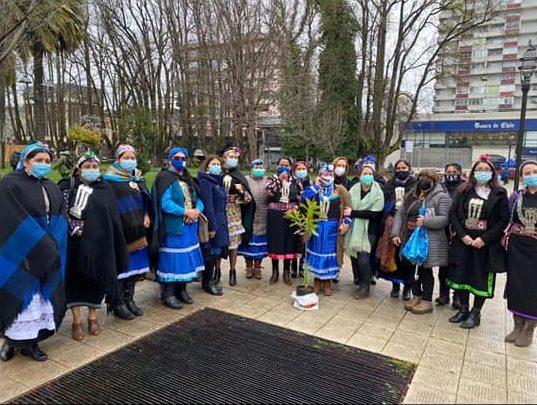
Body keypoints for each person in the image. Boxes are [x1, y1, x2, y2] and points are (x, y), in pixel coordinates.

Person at [0, 143, 67, 362]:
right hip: (20, 251)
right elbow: (11, 217)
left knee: (39, 299)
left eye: (47, 161)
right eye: (39, 160)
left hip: (47, 251)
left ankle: (31, 344)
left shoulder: (51, 186)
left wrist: (53, 241)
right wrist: (39, 242)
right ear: (26, 161)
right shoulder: (9, 184)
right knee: (18, 295)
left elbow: (60, 216)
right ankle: (10, 342)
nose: (44, 165)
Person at [59, 151, 129, 341]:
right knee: (74, 281)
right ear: (79, 169)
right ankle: (76, 321)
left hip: (100, 244)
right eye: (87, 167)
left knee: (96, 280)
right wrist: (75, 228)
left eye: (95, 166)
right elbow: (61, 212)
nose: (91, 169)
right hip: (75, 244)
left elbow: (111, 216)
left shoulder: (104, 188)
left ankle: (92, 317)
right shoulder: (68, 186)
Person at [447, 155, 509, 329]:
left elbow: (503, 219)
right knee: (462, 274)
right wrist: (462, 235)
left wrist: (484, 239)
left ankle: (476, 312)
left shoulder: (499, 193)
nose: (482, 172)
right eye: (479, 169)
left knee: (480, 277)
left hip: (485, 243)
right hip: (464, 240)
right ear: (473, 172)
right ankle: (463, 309)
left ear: (492, 173)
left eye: (486, 170)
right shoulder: (463, 191)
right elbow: (453, 213)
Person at [391, 169, 451, 315]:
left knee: (425, 269)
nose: (423, 181)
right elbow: (400, 214)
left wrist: (426, 221)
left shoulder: (442, 197)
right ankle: (416, 294)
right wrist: (395, 233)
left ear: (434, 181)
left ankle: (427, 299)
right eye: (421, 178)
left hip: (427, 239)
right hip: (409, 236)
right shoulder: (411, 195)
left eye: (427, 178)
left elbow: (445, 218)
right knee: (411, 268)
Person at [103, 144, 152, 320]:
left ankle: (129, 298)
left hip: (138, 228)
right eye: (126, 158)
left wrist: (146, 214)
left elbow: (145, 199)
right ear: (118, 160)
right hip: (121, 230)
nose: (130, 161)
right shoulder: (108, 180)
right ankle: (117, 303)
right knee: (121, 267)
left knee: (134, 267)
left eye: (132, 158)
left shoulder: (138, 178)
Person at [152, 147, 205, 309]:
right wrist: (185, 212)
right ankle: (168, 293)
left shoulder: (188, 179)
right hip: (174, 226)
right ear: (170, 160)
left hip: (190, 226)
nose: (180, 160)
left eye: (183, 158)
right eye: (176, 157)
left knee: (186, 259)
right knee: (173, 260)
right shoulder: (164, 178)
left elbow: (199, 198)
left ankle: (182, 289)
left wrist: (196, 212)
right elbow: (165, 202)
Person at [302, 164, 351, 295]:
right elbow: (304, 199)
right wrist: (315, 186)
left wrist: (346, 222)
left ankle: (327, 282)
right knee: (316, 252)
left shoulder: (340, 190)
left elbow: (348, 207)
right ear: (320, 175)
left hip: (332, 227)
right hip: (316, 226)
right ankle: (317, 281)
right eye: (325, 174)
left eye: (330, 174)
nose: (328, 177)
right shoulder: (314, 188)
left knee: (331, 253)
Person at [504, 160, 537, 347]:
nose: (532, 176)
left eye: (535, 172)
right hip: (517, 247)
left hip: (535, 250)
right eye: (528, 173)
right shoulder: (517, 196)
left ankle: (529, 329)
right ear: (522, 176)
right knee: (516, 286)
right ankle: (517, 325)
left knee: (532, 289)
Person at [377, 159, 416, 300]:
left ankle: (408, 286)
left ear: (409, 168)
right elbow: (385, 202)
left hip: (409, 226)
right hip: (391, 223)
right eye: (398, 168)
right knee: (392, 255)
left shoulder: (415, 185)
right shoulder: (390, 184)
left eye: (404, 167)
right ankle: (395, 285)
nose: (401, 170)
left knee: (406, 257)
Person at [345, 161, 384, 299]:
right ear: (360, 175)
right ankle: (360, 280)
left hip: (370, 229)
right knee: (355, 256)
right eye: (365, 173)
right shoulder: (353, 190)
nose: (368, 176)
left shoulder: (378, 192)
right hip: (354, 228)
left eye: (370, 174)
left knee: (363, 258)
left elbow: (375, 213)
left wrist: (353, 213)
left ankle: (365, 287)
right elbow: (347, 208)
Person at [221, 146, 255, 286]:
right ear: (224, 158)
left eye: (235, 157)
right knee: (218, 244)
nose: (233, 159)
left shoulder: (238, 176)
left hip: (234, 214)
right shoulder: (217, 173)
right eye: (231, 157)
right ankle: (217, 271)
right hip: (219, 213)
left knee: (233, 246)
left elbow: (248, 199)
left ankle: (232, 270)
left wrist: (240, 192)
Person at [266, 157, 302, 284]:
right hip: (275, 215)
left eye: (287, 165)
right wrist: (279, 182)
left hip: (291, 215)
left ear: (291, 167)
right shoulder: (272, 179)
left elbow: (300, 197)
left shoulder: (296, 181)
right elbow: (268, 194)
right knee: (276, 242)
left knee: (289, 242)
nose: (284, 168)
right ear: (277, 166)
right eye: (282, 165)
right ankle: (275, 271)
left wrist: (296, 207)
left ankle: (286, 271)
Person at [197, 155, 228, 296]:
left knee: (216, 254)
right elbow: (208, 205)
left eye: (218, 164)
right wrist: (212, 227)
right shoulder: (206, 182)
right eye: (213, 164)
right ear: (207, 166)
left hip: (221, 220)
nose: (217, 166)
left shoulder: (217, 181)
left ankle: (209, 281)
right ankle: (208, 282)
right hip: (213, 220)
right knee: (211, 253)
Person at [437, 163, 465, 307]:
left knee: (458, 264)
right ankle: (443, 293)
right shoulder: (440, 187)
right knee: (444, 265)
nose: (451, 174)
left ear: (460, 173)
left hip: (458, 230)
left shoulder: (465, 188)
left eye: (454, 171)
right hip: (443, 230)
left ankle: (457, 295)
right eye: (448, 171)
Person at [237, 159, 269, 279]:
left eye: (261, 167)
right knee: (248, 241)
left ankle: (258, 267)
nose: (258, 169)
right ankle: (249, 266)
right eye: (256, 167)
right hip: (249, 215)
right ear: (251, 168)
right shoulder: (245, 180)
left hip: (264, 215)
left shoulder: (269, 180)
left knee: (260, 244)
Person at [291, 160, 312, 278]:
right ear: (294, 171)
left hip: (307, 215)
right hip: (294, 215)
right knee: (294, 241)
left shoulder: (311, 183)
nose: (301, 171)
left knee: (305, 242)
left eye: (303, 169)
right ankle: (293, 267)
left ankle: (303, 266)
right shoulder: (291, 182)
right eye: (298, 169)